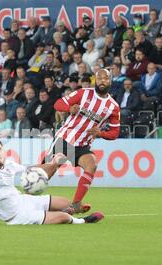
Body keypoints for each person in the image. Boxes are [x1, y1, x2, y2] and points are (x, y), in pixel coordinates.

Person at [0, 138, 104, 225]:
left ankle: (71, 209)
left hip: (23, 200)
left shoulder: (10, 164)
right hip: (15, 214)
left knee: (65, 203)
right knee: (63, 217)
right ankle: (83, 221)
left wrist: (54, 163)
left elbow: (31, 169)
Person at [48, 69, 120, 214]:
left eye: (105, 79)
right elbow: (58, 104)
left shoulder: (113, 107)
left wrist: (100, 133)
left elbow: (115, 133)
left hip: (82, 145)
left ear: (110, 81)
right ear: (95, 80)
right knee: (50, 168)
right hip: (66, 138)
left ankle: (75, 204)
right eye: (99, 78)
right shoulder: (83, 93)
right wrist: (69, 108)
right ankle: (28, 196)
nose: (102, 81)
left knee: (92, 164)